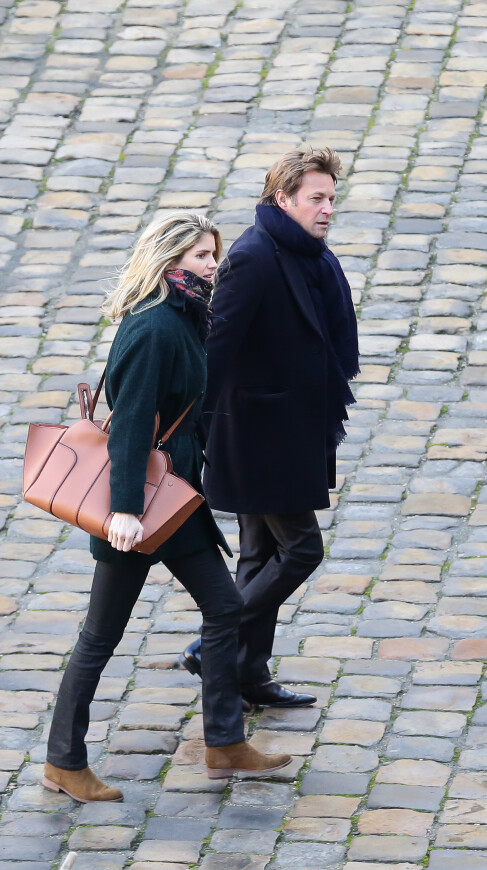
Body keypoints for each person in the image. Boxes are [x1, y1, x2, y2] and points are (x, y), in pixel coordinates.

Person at [43, 212, 291, 803]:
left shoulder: (185, 315)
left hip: (173, 499)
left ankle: (225, 741)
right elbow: (130, 423)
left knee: (225, 606)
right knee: (100, 637)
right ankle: (63, 762)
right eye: (203, 256)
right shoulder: (155, 328)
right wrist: (123, 510)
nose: (213, 265)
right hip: (140, 507)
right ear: (170, 260)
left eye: (213, 254)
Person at [181, 147, 359, 708]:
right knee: (302, 551)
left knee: (258, 555)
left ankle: (246, 675)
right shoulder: (255, 257)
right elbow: (215, 350)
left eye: (331, 198)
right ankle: (211, 645)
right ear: (282, 198)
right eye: (317, 198)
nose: (327, 209)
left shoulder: (309, 254)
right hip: (258, 437)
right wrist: (197, 427)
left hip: (290, 429)